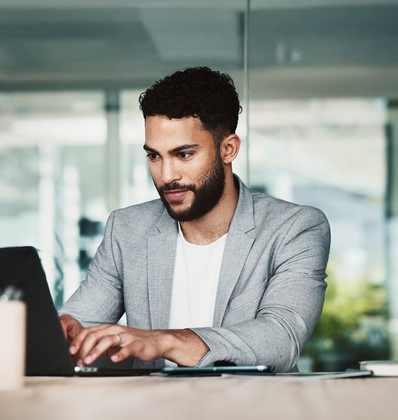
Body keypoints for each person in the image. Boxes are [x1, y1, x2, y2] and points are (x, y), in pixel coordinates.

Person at [58, 67, 331, 372]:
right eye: (154, 156)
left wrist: (164, 341)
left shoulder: (295, 228)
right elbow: (81, 322)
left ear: (228, 149)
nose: (166, 175)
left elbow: (281, 338)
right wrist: (66, 331)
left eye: (184, 155)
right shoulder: (127, 229)